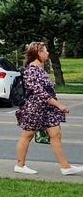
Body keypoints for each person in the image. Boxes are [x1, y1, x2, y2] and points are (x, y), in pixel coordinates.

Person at [15, 41, 82, 175]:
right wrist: (59, 105)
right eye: (45, 51)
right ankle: (20, 165)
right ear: (38, 53)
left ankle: (65, 167)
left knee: (55, 134)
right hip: (34, 108)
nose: (47, 53)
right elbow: (40, 93)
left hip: (47, 109)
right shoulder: (31, 70)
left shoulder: (41, 69)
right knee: (27, 135)